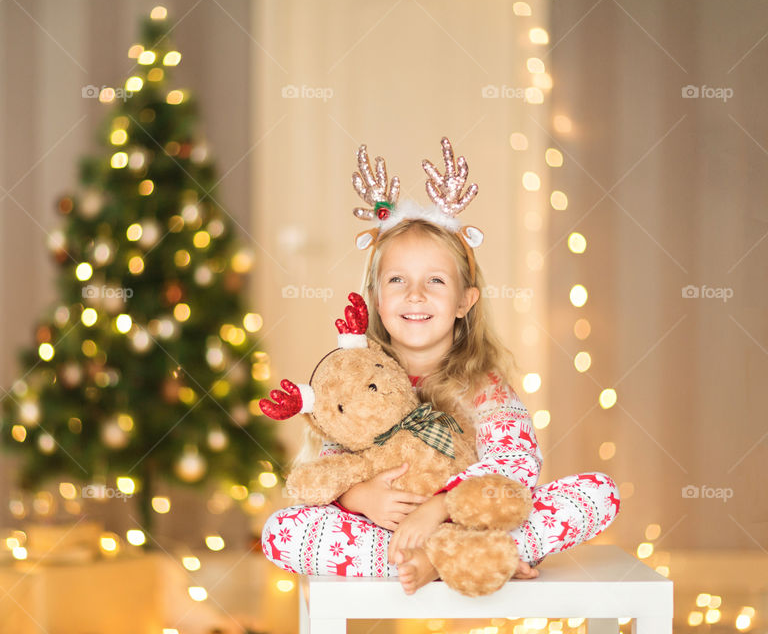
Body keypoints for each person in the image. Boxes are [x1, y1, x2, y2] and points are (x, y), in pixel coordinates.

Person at [260, 138, 620, 594]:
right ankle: (464, 561)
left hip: (467, 521)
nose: (415, 294)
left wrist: (443, 507)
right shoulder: (356, 376)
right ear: (376, 299)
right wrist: (360, 497)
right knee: (281, 530)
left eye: (435, 280)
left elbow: (516, 462)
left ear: (464, 301)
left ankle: (451, 553)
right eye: (397, 280)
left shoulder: (483, 385)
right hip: (386, 529)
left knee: (597, 492)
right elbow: (336, 456)